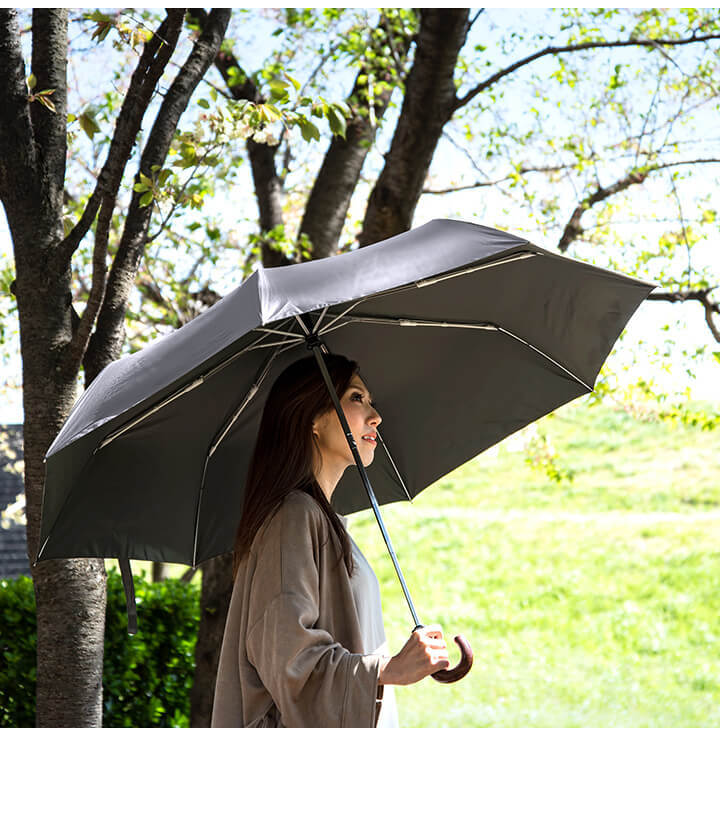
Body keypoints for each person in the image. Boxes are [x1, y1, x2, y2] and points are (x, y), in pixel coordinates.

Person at [211, 353, 450, 728]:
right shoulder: (292, 516)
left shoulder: (322, 520)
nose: (376, 415)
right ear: (314, 419)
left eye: (370, 400)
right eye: (357, 398)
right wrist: (391, 668)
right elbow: (288, 660)